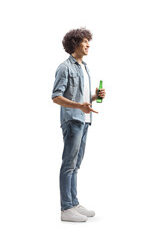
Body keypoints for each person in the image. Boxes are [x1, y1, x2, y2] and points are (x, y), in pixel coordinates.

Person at [51, 27, 106, 222]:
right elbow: (56, 97)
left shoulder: (84, 67)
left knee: (76, 165)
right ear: (75, 43)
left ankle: (73, 203)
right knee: (68, 164)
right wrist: (79, 106)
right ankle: (66, 208)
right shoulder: (64, 67)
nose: (88, 44)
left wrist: (93, 97)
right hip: (72, 120)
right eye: (84, 41)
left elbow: (80, 97)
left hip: (84, 120)